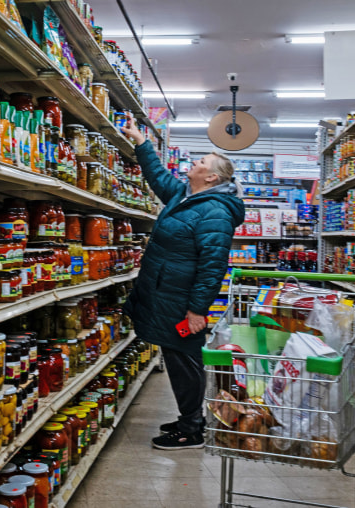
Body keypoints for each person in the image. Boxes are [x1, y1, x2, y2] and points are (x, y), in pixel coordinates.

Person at [120, 122, 245, 450]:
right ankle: (190, 418)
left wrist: (196, 310)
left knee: (185, 361)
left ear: (212, 178)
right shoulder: (185, 197)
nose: (196, 163)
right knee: (177, 359)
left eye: (202, 162)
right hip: (166, 294)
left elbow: (212, 268)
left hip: (181, 302)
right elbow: (158, 177)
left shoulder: (215, 213)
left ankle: (191, 429)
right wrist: (142, 142)